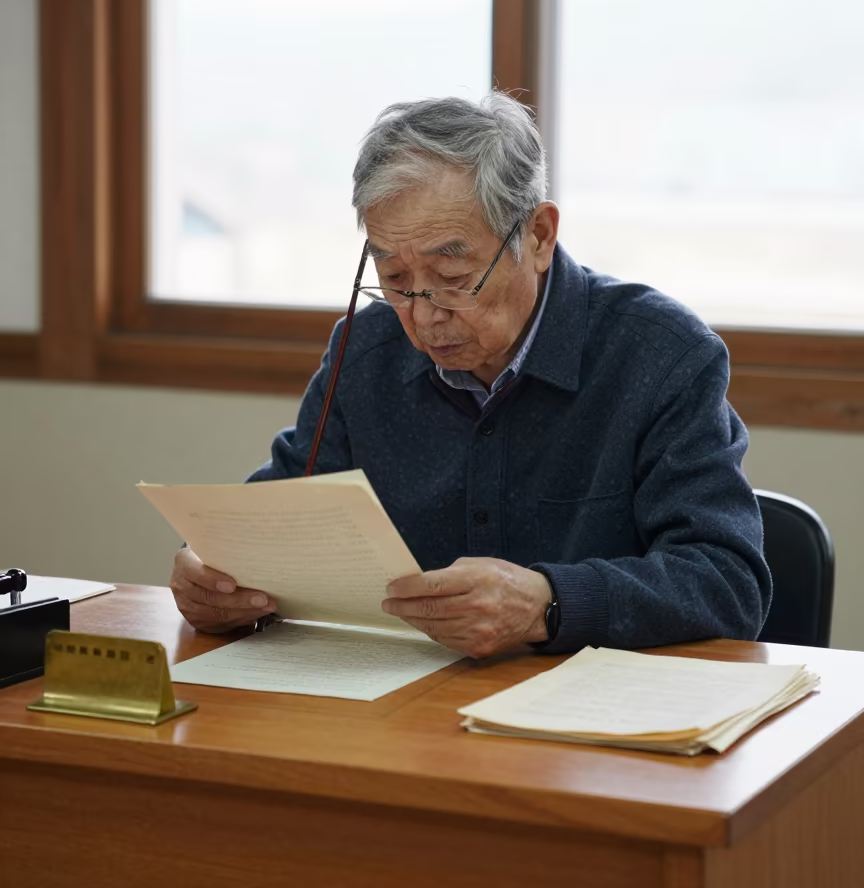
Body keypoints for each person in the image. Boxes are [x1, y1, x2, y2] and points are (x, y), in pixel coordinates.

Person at [171, 93, 771, 656]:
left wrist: (548, 602)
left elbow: (726, 581)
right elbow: (273, 520)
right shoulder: (367, 347)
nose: (426, 316)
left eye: (454, 279)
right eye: (398, 281)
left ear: (537, 236)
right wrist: (212, 571)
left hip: (592, 735)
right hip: (403, 713)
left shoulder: (660, 355)